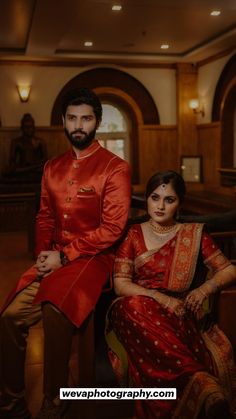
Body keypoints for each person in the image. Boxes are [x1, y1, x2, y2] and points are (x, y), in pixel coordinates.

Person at [0, 88, 131, 419]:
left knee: (55, 310)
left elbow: (113, 228)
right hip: (55, 255)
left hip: (93, 258)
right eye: (72, 118)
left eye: (86, 118)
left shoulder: (115, 168)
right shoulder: (51, 167)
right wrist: (44, 254)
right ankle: (12, 402)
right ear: (63, 121)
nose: (78, 125)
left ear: (97, 122)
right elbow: (44, 216)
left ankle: (53, 400)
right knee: (9, 319)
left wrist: (65, 255)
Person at [106, 170, 236, 419]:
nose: (160, 205)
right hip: (138, 308)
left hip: (178, 311)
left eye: (169, 199)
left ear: (180, 204)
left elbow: (229, 270)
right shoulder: (133, 234)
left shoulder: (193, 233)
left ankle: (197, 386)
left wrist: (202, 289)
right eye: (155, 198)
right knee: (132, 305)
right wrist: (160, 297)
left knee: (148, 315)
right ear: (147, 199)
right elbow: (121, 284)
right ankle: (199, 384)